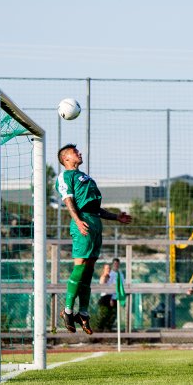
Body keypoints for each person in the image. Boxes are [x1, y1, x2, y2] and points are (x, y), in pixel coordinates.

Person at [55, 144, 132, 335]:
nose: (79, 153)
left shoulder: (87, 178)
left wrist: (116, 217)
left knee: (89, 269)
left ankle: (83, 312)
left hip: (95, 222)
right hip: (83, 222)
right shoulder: (66, 176)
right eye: (75, 152)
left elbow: (95, 208)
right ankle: (67, 310)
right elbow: (68, 201)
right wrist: (78, 221)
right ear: (66, 159)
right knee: (80, 265)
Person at [92, 258, 122, 332]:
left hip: (111, 297)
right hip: (106, 297)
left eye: (109, 268)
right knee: (104, 315)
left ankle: (106, 330)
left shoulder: (116, 274)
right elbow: (105, 288)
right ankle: (99, 331)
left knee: (111, 315)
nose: (108, 270)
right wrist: (111, 297)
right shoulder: (105, 276)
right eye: (107, 268)